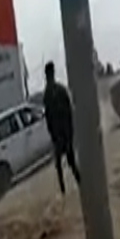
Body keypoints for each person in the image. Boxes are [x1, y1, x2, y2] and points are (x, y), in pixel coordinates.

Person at [43, 61, 81, 195]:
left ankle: (69, 187)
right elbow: (51, 116)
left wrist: (65, 133)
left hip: (62, 132)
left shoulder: (52, 92)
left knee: (66, 162)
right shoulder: (54, 92)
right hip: (61, 132)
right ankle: (70, 187)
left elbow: (52, 116)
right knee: (64, 162)